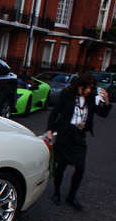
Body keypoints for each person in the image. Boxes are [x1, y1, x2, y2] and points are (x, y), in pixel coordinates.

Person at [44, 74, 112, 211]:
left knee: (80, 167)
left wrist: (106, 101)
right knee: (61, 165)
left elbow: (102, 113)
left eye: (91, 88)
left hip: (80, 134)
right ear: (80, 85)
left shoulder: (91, 98)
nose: (88, 90)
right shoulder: (67, 94)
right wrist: (50, 129)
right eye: (86, 87)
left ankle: (71, 196)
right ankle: (57, 192)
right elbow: (55, 112)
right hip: (65, 132)